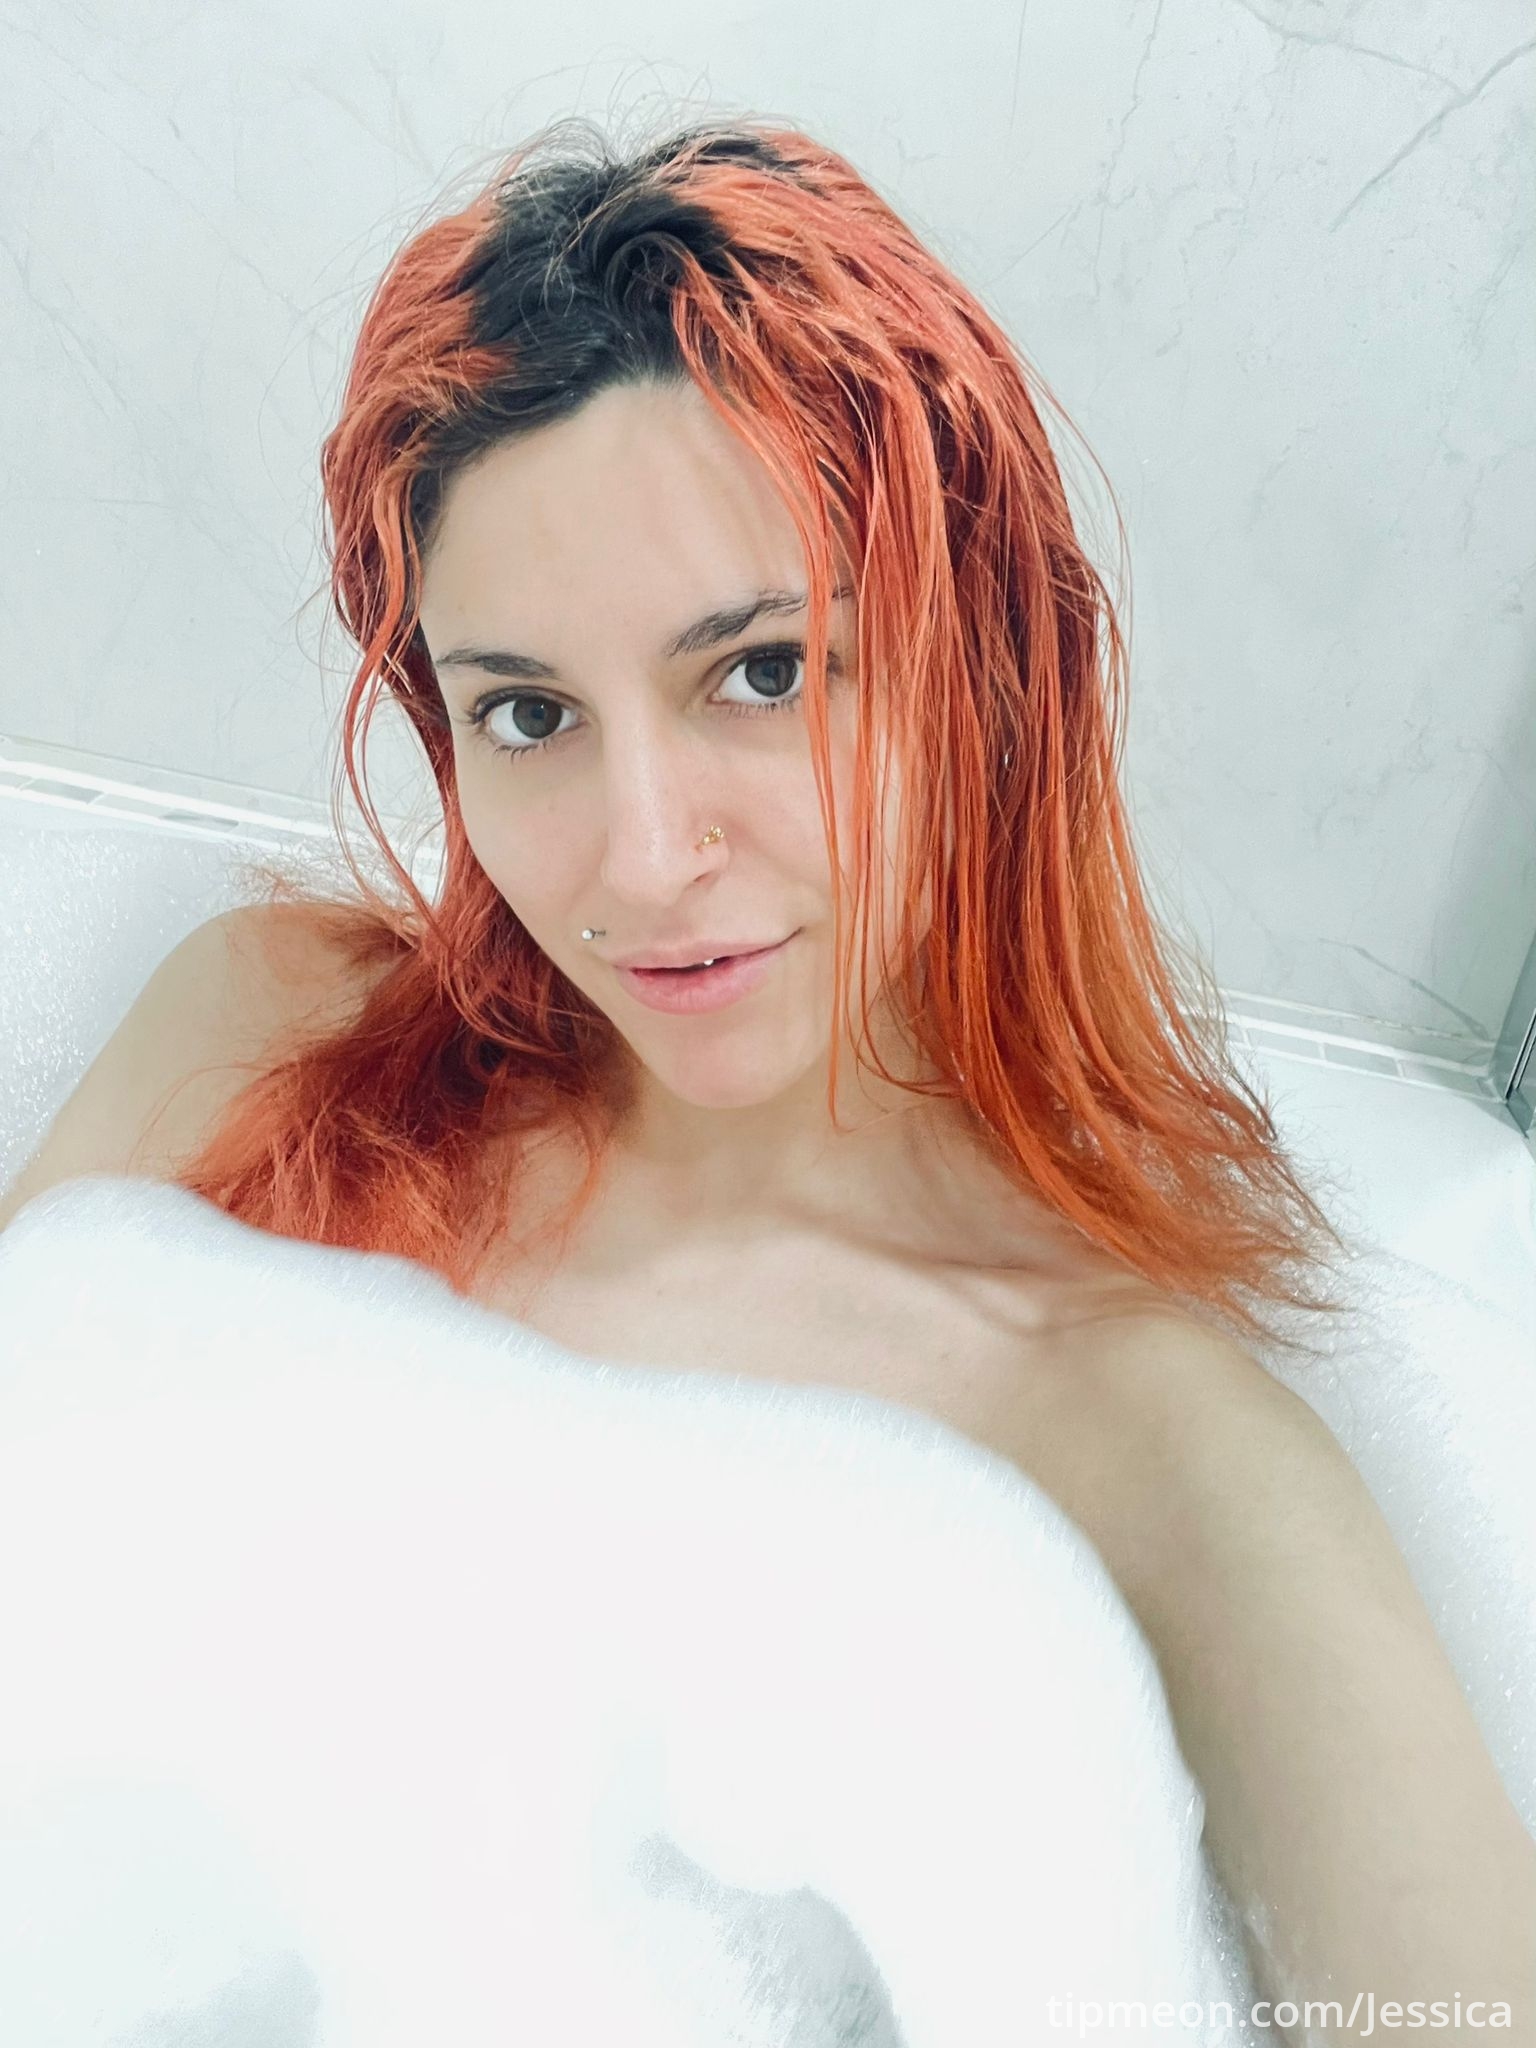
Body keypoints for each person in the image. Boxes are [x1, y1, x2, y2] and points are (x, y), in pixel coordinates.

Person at [2, 115, 1532, 2042]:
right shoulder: (261, 1032)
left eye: (763, 673)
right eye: (529, 713)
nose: (645, 860)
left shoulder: (1149, 1447)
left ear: (988, 670)